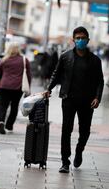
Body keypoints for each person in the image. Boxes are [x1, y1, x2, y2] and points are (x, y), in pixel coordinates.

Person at [44, 26, 104, 173]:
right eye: (78, 38)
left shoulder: (95, 60)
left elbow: (100, 81)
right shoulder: (65, 57)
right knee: (66, 130)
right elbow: (56, 74)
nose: (80, 40)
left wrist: (97, 97)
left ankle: (79, 150)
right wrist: (49, 88)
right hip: (69, 99)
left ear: (88, 40)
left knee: (85, 131)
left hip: (87, 101)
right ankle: (65, 161)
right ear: (73, 40)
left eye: (83, 38)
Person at [0, 43, 32, 135]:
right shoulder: (24, 60)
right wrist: (28, 88)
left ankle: (1, 121)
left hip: (4, 86)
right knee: (14, 107)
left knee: (3, 105)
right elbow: (29, 75)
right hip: (17, 87)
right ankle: (9, 125)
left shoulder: (4, 60)